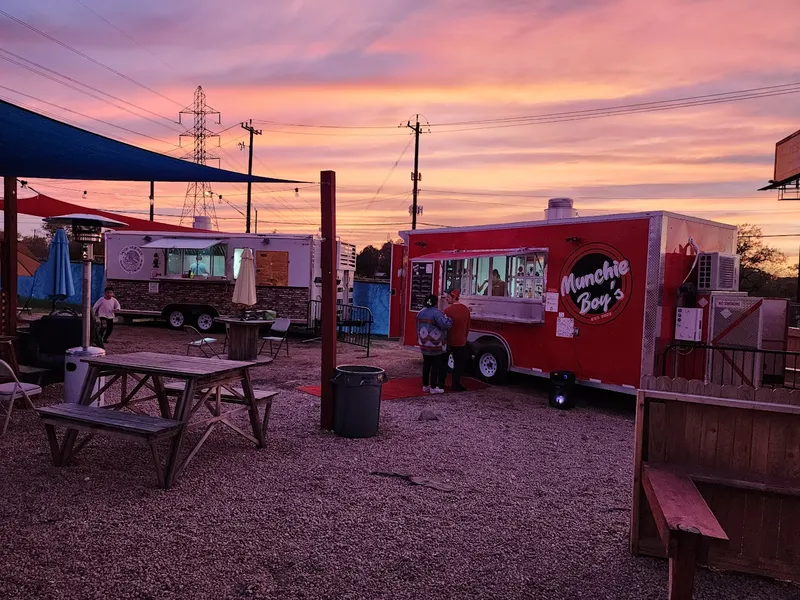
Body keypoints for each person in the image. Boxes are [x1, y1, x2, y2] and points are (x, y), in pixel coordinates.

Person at [416, 294, 452, 394]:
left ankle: (425, 386)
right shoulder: (437, 313)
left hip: (423, 343)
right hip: (435, 344)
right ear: (436, 302)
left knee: (426, 364)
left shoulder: (420, 312)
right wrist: (449, 320)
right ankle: (433, 387)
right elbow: (445, 325)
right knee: (435, 365)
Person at [443, 289, 471, 391]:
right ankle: (456, 383)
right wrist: (464, 338)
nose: (446, 298)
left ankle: (441, 382)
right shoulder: (466, 310)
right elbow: (468, 327)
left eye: (448, 297)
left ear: (454, 297)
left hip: (449, 341)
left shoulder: (447, 311)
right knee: (458, 364)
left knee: (444, 363)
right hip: (460, 341)